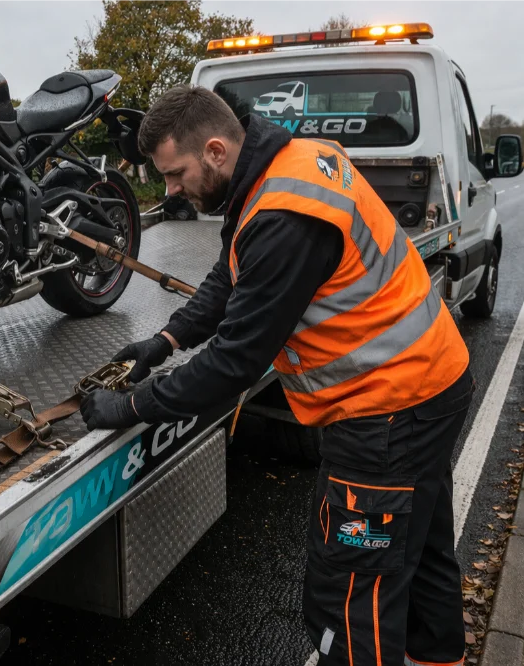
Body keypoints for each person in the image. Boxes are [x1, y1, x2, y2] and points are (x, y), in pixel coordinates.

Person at [79, 85, 473, 666]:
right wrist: (168, 339)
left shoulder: (285, 217)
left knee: (352, 598)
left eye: (174, 173)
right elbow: (230, 271)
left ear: (214, 150)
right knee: (425, 558)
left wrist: (133, 406)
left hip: (385, 414)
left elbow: (233, 364)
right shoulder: (283, 167)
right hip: (430, 384)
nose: (169, 191)